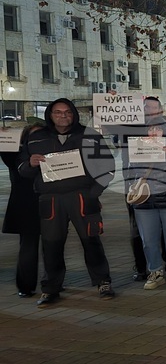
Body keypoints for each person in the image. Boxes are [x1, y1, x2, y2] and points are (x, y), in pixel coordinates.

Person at [19, 98, 116, 305]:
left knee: (91, 241)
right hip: (51, 199)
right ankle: (51, 288)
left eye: (67, 112)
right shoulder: (37, 138)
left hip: (82, 198)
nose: (63, 116)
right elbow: (21, 169)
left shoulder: (89, 135)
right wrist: (30, 163)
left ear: (73, 114)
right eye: (58, 112)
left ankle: (103, 281)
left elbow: (107, 166)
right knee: (51, 244)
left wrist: (94, 192)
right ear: (50, 115)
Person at [124, 97, 166, 291]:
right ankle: (155, 271)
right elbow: (131, 170)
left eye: (158, 129)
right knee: (148, 239)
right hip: (145, 198)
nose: (154, 132)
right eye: (150, 129)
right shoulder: (137, 145)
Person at [3, 121, 44, 297]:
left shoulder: (52, 152)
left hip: (50, 202)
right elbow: (6, 152)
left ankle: (53, 282)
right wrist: (5, 136)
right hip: (26, 205)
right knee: (28, 247)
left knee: (54, 245)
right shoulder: (15, 154)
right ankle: (26, 286)